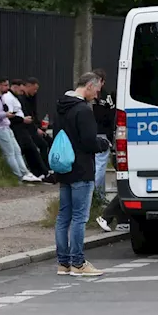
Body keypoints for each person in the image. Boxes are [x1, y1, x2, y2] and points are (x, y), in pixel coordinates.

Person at [55, 72, 109, 277]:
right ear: (88, 86)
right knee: (79, 217)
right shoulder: (83, 110)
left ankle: (63, 263)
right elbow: (88, 141)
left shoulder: (61, 106)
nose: (97, 95)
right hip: (81, 168)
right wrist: (102, 143)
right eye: (96, 90)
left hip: (64, 168)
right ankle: (78, 263)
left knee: (63, 217)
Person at [0, 77, 41, 183]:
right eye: (5, 85)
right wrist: (4, 114)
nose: (7, 87)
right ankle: (19, 176)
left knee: (17, 151)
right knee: (10, 152)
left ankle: (25, 173)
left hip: (4, 126)